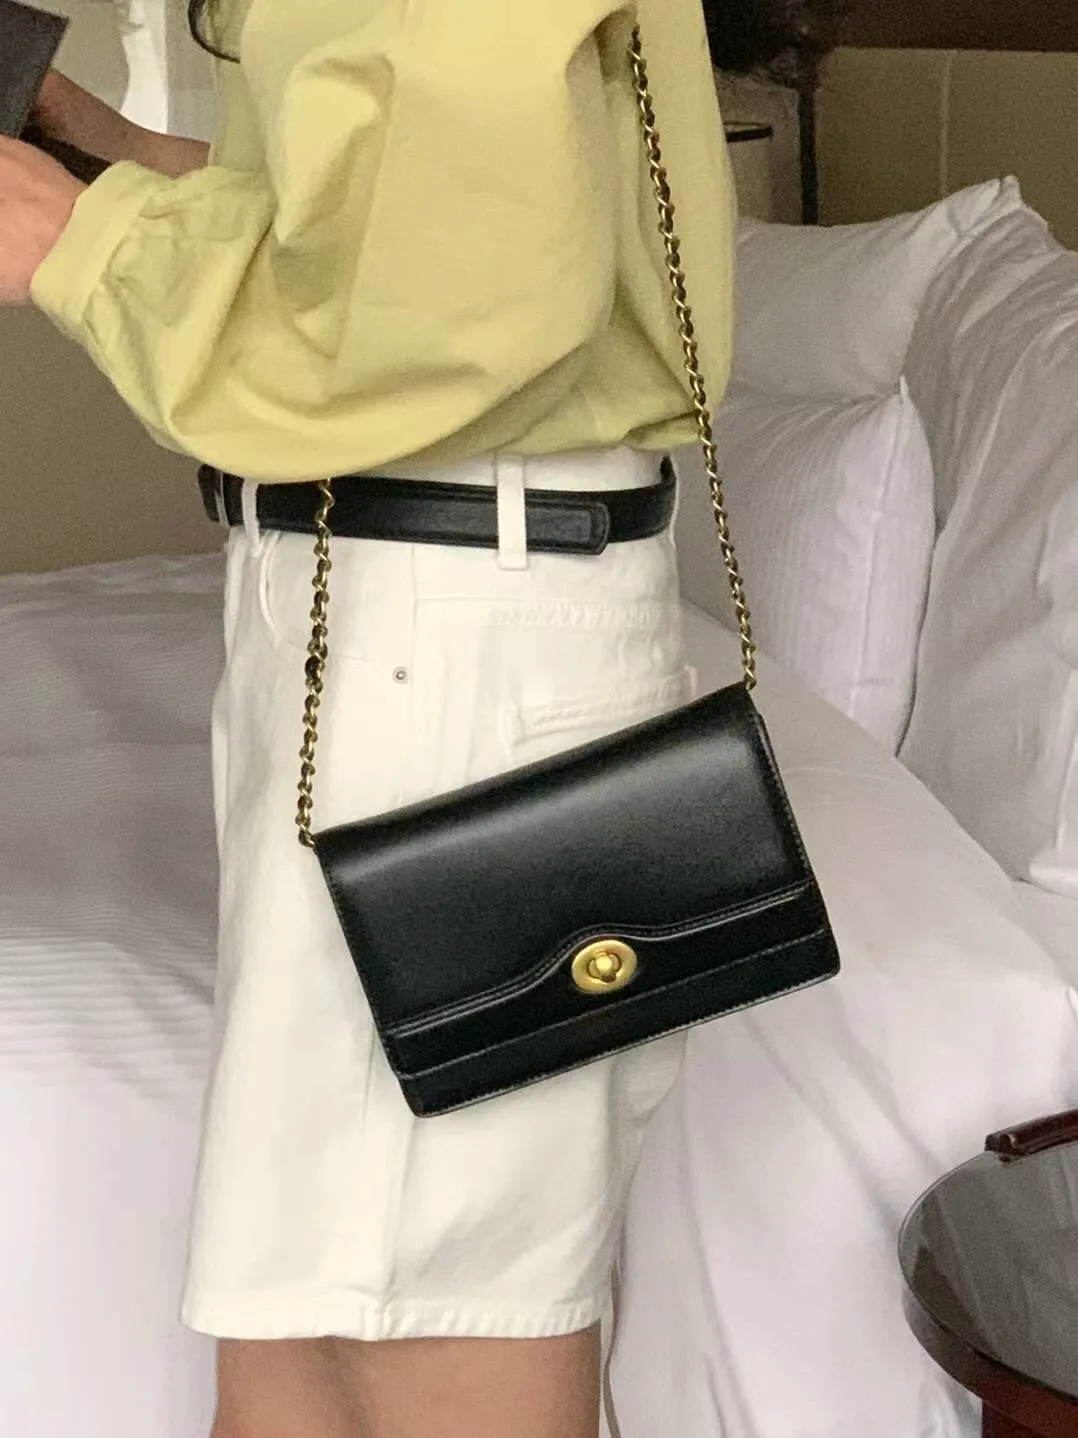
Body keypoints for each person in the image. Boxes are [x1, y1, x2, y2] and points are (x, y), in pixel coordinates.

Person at [0, 2, 842, 1434]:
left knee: (425, 1310)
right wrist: (103, 152)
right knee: (330, 1297)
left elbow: (456, 308)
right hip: (407, 614)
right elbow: (383, 221)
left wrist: (80, 241)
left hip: (443, 632)